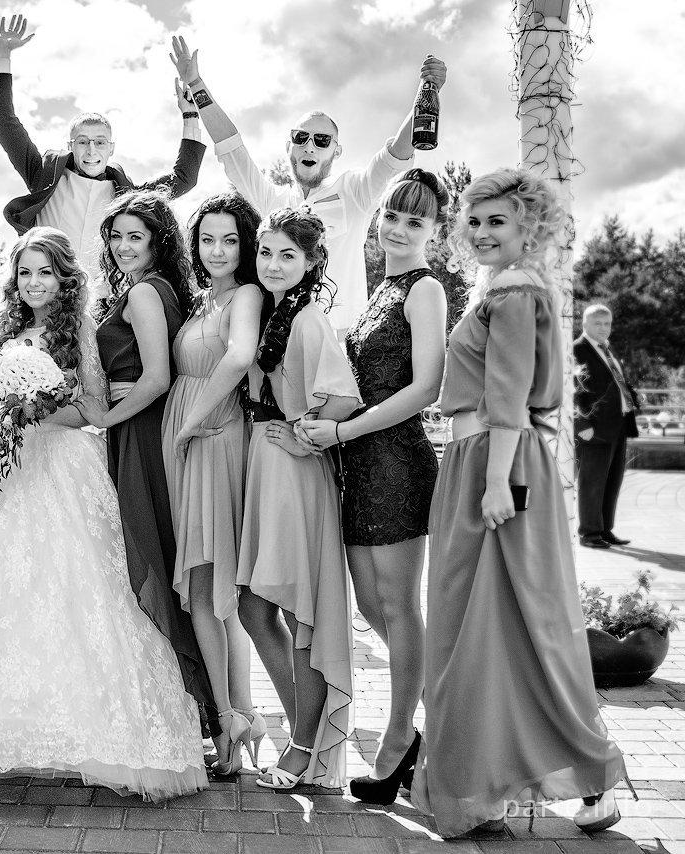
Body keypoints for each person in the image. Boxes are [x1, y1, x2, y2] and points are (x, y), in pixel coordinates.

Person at [0, 227, 207, 801]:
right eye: (24, 272)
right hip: (0, 462)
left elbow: (93, 406)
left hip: (63, 463)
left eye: (45, 271)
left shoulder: (80, 329)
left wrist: (40, 411)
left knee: (73, 587)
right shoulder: (1, 327)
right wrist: (9, 409)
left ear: (65, 278)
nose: (33, 282)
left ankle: (94, 731)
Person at [411, 169, 627, 837]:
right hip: (484, 462)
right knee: (497, 628)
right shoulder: (504, 289)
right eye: (474, 221)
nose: (481, 232)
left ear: (528, 226)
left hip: (493, 465)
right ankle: (497, 784)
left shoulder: (513, 293)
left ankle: (579, 776)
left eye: (497, 221)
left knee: (510, 625)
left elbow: (508, 395)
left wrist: (497, 482)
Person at [298, 169, 448, 804]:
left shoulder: (425, 290)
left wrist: (343, 430)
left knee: (399, 608)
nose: (399, 229)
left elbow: (426, 388)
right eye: (392, 216)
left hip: (395, 463)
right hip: (359, 463)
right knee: (370, 608)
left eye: (416, 221)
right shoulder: (381, 288)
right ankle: (453, 702)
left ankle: (398, 742)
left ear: (434, 232)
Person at [169, 35, 446, 333]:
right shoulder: (271, 201)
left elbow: (394, 157)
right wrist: (195, 83)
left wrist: (427, 92)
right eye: (301, 137)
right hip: (278, 341)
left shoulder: (355, 192)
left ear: (337, 151)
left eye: (322, 140)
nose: (309, 147)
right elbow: (231, 148)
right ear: (289, 146)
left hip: (338, 341)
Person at [73, 190, 218, 745]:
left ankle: (198, 709)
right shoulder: (158, 289)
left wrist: (105, 419)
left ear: (158, 242)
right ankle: (190, 707)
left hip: (141, 427)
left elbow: (156, 377)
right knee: (156, 549)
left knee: (150, 553)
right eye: (116, 236)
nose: (123, 246)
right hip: (142, 426)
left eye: (136, 236)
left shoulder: (142, 292)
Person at [234, 208, 361, 791]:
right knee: (255, 608)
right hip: (266, 464)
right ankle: (302, 731)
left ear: (310, 263)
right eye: (267, 252)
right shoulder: (275, 314)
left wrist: (303, 433)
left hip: (291, 469)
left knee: (291, 610)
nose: (274, 264)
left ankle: (304, 748)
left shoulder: (309, 320)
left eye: (289, 255)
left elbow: (343, 400)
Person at [161, 192, 274, 774]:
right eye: (207, 239)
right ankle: (243, 714)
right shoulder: (203, 298)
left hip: (213, 435)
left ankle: (229, 720)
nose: (218, 250)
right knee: (216, 593)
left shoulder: (246, 294)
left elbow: (238, 357)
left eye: (230, 239)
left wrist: (190, 422)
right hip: (192, 435)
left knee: (207, 589)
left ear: (246, 244)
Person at [0, 14, 205, 294]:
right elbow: (5, 124)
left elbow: (184, 178)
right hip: (45, 295)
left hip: (101, 301)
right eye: (83, 142)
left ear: (111, 148)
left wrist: (190, 114)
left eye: (100, 142)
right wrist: (2, 55)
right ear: (70, 145)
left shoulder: (127, 197)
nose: (91, 150)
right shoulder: (44, 176)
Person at [574, 303, 641, 549]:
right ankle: (589, 533)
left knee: (612, 481)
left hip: (618, 424)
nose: (604, 328)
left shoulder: (607, 349)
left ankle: (604, 529)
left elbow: (616, 381)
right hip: (593, 428)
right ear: (585, 324)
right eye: (598, 323)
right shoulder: (577, 350)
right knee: (592, 482)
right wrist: (582, 425)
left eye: (607, 324)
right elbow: (572, 391)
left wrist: (632, 397)